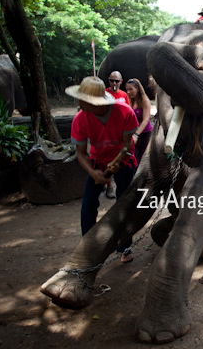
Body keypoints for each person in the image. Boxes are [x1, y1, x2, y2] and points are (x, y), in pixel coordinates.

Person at [65, 76, 138, 263]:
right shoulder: (80, 120)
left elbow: (128, 144)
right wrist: (93, 173)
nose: (80, 103)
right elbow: (80, 153)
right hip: (97, 162)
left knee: (124, 203)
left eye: (84, 100)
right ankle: (87, 246)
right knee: (88, 205)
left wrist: (117, 160)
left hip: (124, 161)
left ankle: (124, 246)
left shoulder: (124, 112)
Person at [125, 78, 153, 165]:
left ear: (137, 89)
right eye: (127, 89)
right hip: (133, 133)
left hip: (144, 134)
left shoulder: (145, 101)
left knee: (138, 159)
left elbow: (145, 120)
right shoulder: (131, 100)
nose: (128, 92)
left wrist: (136, 135)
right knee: (131, 157)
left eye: (131, 89)